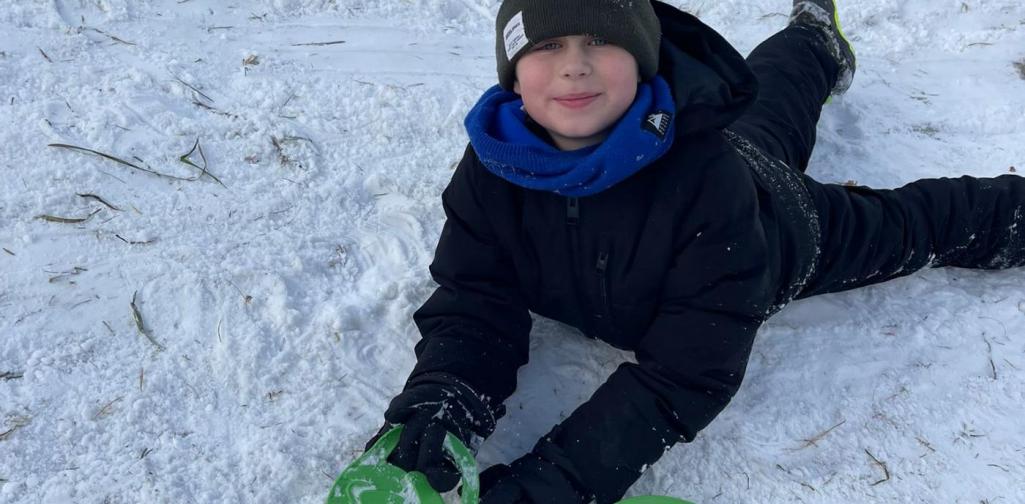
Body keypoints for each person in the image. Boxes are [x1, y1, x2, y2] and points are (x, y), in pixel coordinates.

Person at [365, 0, 1025, 502]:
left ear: (642, 56)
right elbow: (475, 298)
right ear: (511, 72)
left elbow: (684, 371)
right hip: (701, 138)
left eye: (600, 40)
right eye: (547, 45)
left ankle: (814, 36)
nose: (573, 64)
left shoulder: (705, 186)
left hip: (777, 223)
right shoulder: (494, 168)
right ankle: (807, 41)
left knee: (910, 222)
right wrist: (443, 400)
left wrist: (559, 482)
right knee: (766, 103)